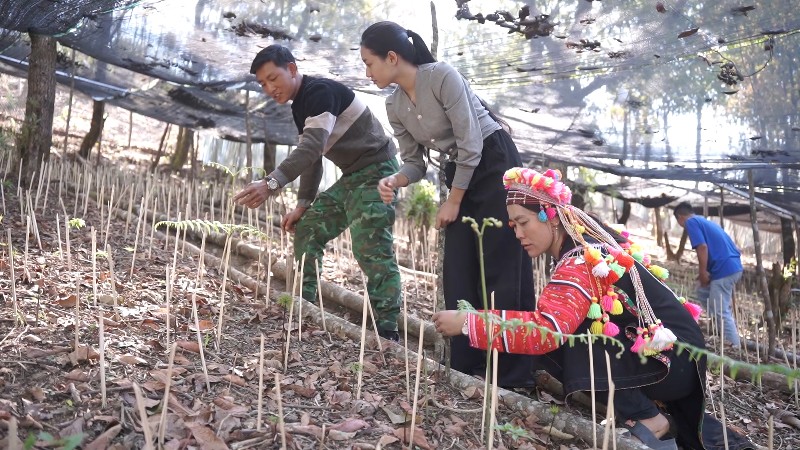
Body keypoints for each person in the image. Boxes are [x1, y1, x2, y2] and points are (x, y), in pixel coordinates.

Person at [432, 167, 755, 450]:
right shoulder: (585, 251)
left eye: (522, 222)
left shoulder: (581, 261)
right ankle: (649, 411)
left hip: (672, 363)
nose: (517, 233)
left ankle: (648, 417)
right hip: (680, 362)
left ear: (550, 216)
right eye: (513, 225)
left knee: (575, 334)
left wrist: (468, 323)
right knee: (576, 327)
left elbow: (547, 330)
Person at [360, 21, 537, 388]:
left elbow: (472, 143)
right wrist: (395, 180)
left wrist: (453, 201)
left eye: (369, 63)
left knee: (502, 263)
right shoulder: (393, 104)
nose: (367, 73)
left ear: (391, 57)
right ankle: (467, 366)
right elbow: (414, 162)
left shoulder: (442, 76)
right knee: (459, 266)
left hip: (495, 162)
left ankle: (512, 376)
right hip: (460, 170)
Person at [233, 45, 402, 340]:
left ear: (292, 69)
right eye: (263, 84)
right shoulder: (300, 106)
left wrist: (271, 183)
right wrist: (303, 204)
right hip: (353, 176)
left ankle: (387, 330)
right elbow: (312, 157)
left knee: (370, 246)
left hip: (378, 172)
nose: (270, 88)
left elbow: (311, 148)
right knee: (308, 227)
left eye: (273, 78)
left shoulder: (319, 93)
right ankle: (304, 304)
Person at [673, 202, 742, 347]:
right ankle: (721, 331)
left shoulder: (691, 222)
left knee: (720, 310)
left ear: (680, 217)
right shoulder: (703, 221)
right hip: (730, 266)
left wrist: (703, 271)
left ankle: (734, 346)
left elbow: (702, 247)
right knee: (702, 290)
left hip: (724, 269)